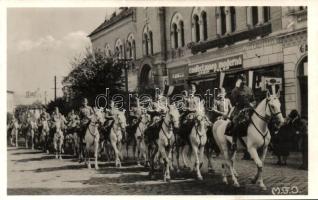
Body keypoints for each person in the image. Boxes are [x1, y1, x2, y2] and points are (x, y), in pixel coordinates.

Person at [227, 74, 256, 151]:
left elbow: (253, 100)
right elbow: (233, 102)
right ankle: (234, 142)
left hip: (249, 109)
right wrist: (238, 104)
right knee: (236, 123)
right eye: (241, 80)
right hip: (239, 110)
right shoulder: (235, 90)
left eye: (244, 80)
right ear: (238, 81)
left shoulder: (249, 89)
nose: (243, 81)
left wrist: (252, 104)